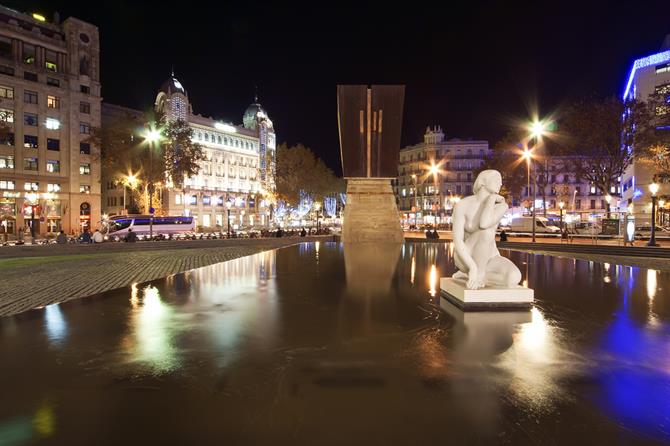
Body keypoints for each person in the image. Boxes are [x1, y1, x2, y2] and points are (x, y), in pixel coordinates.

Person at [452, 170, 522, 290]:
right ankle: (475, 273)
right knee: (486, 233)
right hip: (465, 256)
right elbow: (458, 241)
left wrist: (491, 199)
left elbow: (484, 222)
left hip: (489, 256)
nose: (500, 184)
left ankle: (475, 275)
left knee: (514, 277)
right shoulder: (462, 205)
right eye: (496, 179)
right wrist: (472, 267)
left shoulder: (501, 206)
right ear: (483, 182)